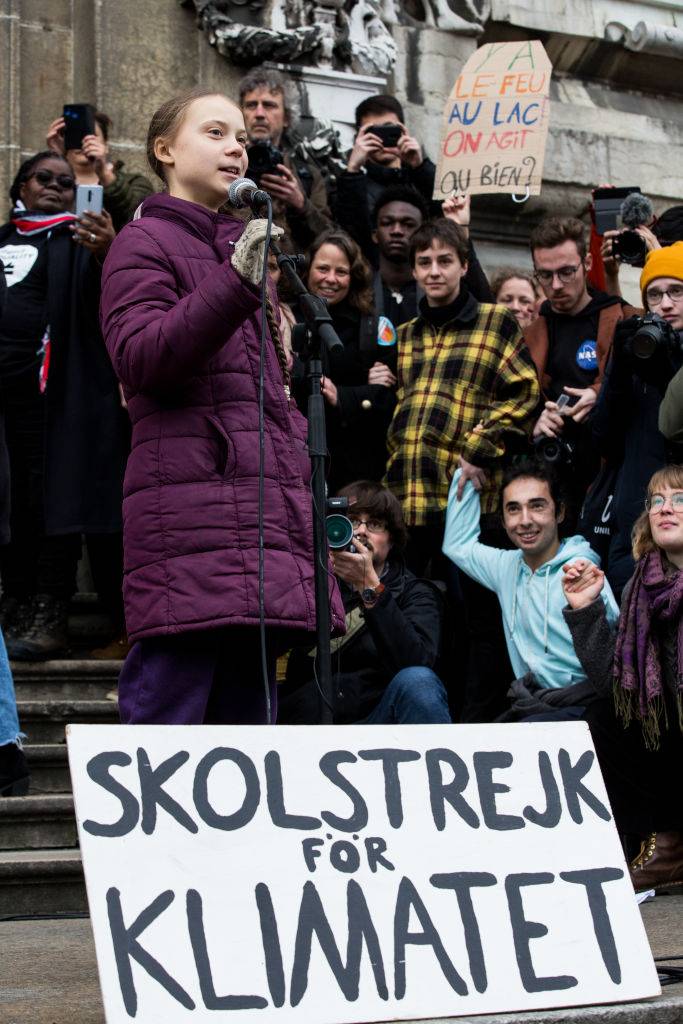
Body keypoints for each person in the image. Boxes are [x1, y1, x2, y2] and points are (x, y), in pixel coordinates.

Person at [100, 87, 344, 725]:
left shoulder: (249, 252)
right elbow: (143, 358)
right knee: (168, 728)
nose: (236, 146)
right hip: (191, 524)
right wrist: (233, 284)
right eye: (214, 132)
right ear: (164, 151)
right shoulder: (143, 242)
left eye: (241, 137)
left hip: (257, 523)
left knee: (247, 744)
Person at [0, 151, 124, 660]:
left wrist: (104, 250)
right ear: (20, 186)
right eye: (42, 178)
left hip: (55, 398)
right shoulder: (4, 238)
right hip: (3, 404)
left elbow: (109, 293)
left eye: (66, 182)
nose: (54, 187)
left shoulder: (77, 239)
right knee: (12, 507)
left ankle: (49, 610)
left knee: (49, 499)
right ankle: (16, 601)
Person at [384, 218, 539, 574]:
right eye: (425, 262)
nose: (434, 271)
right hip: (406, 488)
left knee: (465, 614)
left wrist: (478, 449)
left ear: (464, 266)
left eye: (445, 261)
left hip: (465, 491)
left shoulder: (495, 320)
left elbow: (525, 394)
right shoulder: (407, 335)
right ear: (414, 271)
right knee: (413, 605)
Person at [562, 466, 683, 891]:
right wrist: (585, 609)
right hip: (674, 736)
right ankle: (667, 843)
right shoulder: (640, 585)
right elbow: (619, 690)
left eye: (680, 499)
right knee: (605, 716)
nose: (665, 509)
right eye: (656, 500)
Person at [443, 461, 619, 721]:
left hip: (589, 706)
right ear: (503, 521)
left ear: (559, 513)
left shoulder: (581, 569)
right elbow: (457, 545)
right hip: (535, 702)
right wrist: (467, 476)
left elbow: (615, 659)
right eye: (513, 509)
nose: (525, 520)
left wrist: (586, 606)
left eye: (537, 506)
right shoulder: (507, 567)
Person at [278, 481, 448, 725]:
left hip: (382, 721)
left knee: (417, 680)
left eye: (375, 524)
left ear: (392, 539)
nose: (361, 532)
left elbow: (416, 666)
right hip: (310, 727)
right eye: (353, 521)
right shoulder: (306, 584)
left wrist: (368, 586)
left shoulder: (415, 593)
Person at [526, 217, 639, 530]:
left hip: (608, 477)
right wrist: (534, 418)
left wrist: (599, 393)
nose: (557, 285)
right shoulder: (529, 334)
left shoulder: (620, 317)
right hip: (547, 480)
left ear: (587, 262)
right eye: (545, 275)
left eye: (566, 272)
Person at [592, 242, 683, 600]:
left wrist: (668, 373)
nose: (665, 304)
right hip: (633, 529)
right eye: (655, 294)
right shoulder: (636, 348)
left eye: (677, 291)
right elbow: (603, 442)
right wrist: (620, 369)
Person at [295, 229, 397, 491]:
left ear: (354, 277)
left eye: (341, 271)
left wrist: (341, 395)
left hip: (355, 470)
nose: (331, 279)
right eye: (323, 269)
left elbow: (387, 397)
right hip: (296, 460)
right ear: (307, 270)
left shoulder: (373, 328)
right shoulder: (287, 317)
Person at [238, 68, 332, 250]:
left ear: (287, 117)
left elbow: (328, 239)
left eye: (269, 105)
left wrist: (301, 204)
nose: (259, 113)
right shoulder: (226, 163)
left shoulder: (307, 175)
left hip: (288, 271)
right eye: (251, 105)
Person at [335, 94, 438, 255]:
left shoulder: (420, 178)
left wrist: (420, 166)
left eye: (389, 129)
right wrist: (353, 169)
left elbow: (445, 217)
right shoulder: (352, 185)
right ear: (359, 138)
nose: (381, 140)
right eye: (373, 132)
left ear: (403, 131)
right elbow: (351, 236)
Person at [46, 110, 153, 231]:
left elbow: (140, 219)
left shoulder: (134, 182)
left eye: (90, 136)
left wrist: (105, 175)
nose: (83, 142)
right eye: (76, 134)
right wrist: (54, 159)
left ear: (106, 145)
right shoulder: (46, 181)